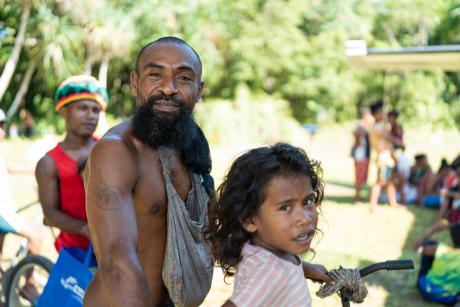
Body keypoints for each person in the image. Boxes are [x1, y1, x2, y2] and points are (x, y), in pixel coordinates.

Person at [83, 37, 215, 307]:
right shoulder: (116, 152)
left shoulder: (193, 145)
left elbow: (214, 228)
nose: (168, 88)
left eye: (184, 78)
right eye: (155, 75)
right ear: (135, 83)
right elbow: (117, 260)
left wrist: (293, 264)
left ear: (199, 90)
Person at [208, 143, 333, 306]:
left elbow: (278, 264)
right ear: (250, 220)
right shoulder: (271, 273)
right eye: (285, 207)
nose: (304, 218)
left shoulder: (268, 251)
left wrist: (305, 269)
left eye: (307, 201)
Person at [35, 75, 107, 259]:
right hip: (76, 252)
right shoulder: (49, 163)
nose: (91, 115)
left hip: (117, 244)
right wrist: (84, 229)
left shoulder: (109, 148)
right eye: (82, 108)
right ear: (64, 111)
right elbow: (50, 214)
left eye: (95, 110)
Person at [0, 108, 42, 302]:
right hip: (2, 212)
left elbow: (7, 167)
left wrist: (33, 168)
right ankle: (29, 284)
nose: (3, 132)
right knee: (35, 236)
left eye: (2, 126)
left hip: (7, 209)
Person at [368, 100, 400, 210]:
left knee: (390, 181)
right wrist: (400, 143)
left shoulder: (379, 126)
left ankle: (393, 203)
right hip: (382, 158)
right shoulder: (377, 127)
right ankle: (373, 204)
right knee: (380, 182)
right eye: (382, 112)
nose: (384, 114)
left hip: (386, 158)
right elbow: (388, 137)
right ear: (376, 114)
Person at [351, 107, 373, 202]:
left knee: (362, 176)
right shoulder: (361, 125)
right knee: (359, 176)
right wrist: (358, 141)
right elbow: (355, 133)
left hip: (364, 154)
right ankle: (357, 197)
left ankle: (359, 196)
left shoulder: (366, 125)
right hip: (360, 154)